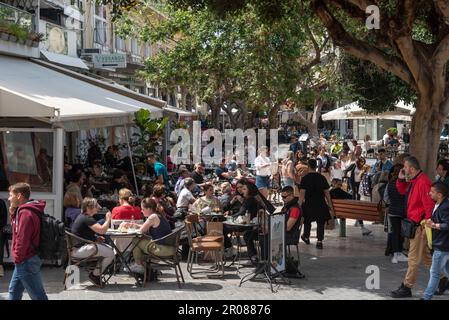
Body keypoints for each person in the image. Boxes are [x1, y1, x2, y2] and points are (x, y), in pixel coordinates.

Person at [391, 156, 434, 298]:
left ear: (412, 168)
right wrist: (401, 179)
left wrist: (426, 228)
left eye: (405, 167)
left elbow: (429, 206)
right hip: (416, 225)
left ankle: (407, 287)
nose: (404, 169)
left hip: (419, 227)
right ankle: (442, 279)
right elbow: (402, 191)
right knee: (427, 258)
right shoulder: (415, 180)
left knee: (413, 258)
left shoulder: (423, 182)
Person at [7, 183, 48, 300]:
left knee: (38, 295)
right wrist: (12, 214)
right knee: (13, 291)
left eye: (11, 195)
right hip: (26, 259)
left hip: (26, 260)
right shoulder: (25, 210)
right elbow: (18, 231)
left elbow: (22, 239)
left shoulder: (25, 213)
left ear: (19, 195)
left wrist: (18, 258)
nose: (9, 198)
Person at [71, 197, 114, 287]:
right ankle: (95, 275)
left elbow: (84, 234)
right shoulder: (87, 218)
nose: (98, 208)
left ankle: (96, 273)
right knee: (111, 253)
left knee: (109, 249)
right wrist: (108, 219)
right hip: (79, 251)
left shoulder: (84, 216)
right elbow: (102, 230)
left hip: (77, 249)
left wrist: (95, 238)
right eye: (96, 206)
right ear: (89, 208)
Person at [127, 198, 175, 274]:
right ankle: (142, 265)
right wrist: (136, 225)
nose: (141, 211)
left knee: (136, 240)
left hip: (162, 249)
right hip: (170, 248)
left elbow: (141, 231)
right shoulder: (158, 215)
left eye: (142, 209)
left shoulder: (152, 217)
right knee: (142, 240)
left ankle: (139, 265)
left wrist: (134, 227)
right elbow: (144, 227)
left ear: (149, 209)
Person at [299, 159, 335, 249]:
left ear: (308, 166)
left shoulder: (305, 178)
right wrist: (330, 205)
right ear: (316, 166)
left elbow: (302, 194)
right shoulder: (322, 178)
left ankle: (306, 237)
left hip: (309, 203)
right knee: (320, 223)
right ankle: (319, 241)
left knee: (307, 221)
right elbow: (327, 193)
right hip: (321, 203)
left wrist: (299, 205)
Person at [422, 182, 449, 300]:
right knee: (446, 270)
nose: (429, 193)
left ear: (439, 194)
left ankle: (426, 297)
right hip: (442, 245)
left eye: (432, 192)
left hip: (442, 246)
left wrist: (433, 225)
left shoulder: (445, 206)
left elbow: (447, 225)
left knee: (434, 273)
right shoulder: (439, 204)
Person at [384, 164, 408, 263]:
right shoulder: (405, 184)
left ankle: (395, 254)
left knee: (394, 232)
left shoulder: (389, 184)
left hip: (392, 211)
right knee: (400, 233)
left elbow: (386, 198)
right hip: (402, 211)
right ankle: (398, 253)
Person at [280, 186, 305, 278]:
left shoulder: (294, 208)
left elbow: (288, 227)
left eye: (284, 197)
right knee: (264, 236)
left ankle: (275, 265)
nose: (282, 199)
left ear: (291, 195)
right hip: (285, 234)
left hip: (290, 235)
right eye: (281, 197)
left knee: (266, 238)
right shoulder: (287, 206)